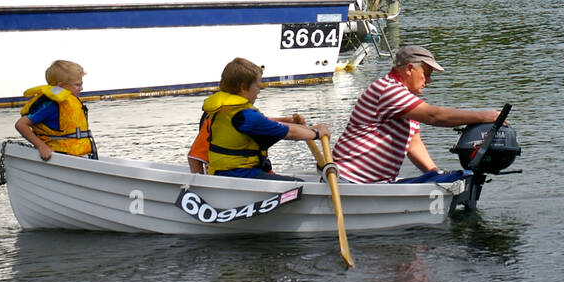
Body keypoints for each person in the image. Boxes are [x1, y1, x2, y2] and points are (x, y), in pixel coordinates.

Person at [334, 45, 503, 184]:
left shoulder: (407, 99)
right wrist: (482, 116)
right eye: (426, 74)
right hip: (348, 180)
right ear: (409, 69)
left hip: (374, 183)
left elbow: (413, 145)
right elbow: (433, 116)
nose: (428, 81)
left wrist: (435, 174)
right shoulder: (389, 89)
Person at [187, 57, 329, 180]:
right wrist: (315, 133)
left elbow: (261, 123)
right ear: (243, 87)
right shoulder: (242, 115)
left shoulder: (224, 111)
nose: (259, 91)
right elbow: (287, 132)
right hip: (239, 175)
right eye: (258, 87)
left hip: (235, 173)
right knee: (299, 186)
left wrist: (290, 121)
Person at [16, 60, 96, 161]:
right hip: (61, 157)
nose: (81, 88)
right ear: (60, 85)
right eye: (77, 85)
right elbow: (21, 124)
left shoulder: (71, 101)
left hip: (78, 156)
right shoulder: (52, 105)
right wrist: (41, 146)